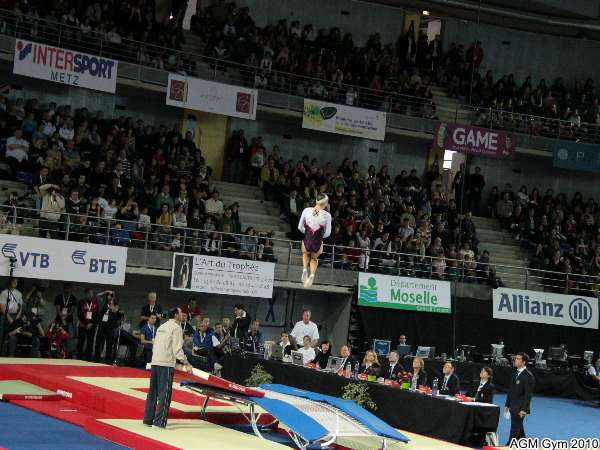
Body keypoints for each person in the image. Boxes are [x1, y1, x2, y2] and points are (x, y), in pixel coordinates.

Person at [143, 307, 192, 429]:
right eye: (181, 313)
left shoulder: (162, 327)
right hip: (165, 364)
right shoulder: (176, 328)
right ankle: (159, 422)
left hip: (155, 361)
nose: (183, 315)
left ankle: (148, 419)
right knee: (164, 394)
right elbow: (177, 349)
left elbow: (155, 344)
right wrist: (186, 363)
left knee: (152, 392)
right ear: (176, 315)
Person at [297, 193, 332, 288]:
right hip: (318, 239)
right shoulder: (327, 216)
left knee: (305, 253)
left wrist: (308, 233)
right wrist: (319, 237)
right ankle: (312, 274)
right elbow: (327, 233)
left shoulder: (306, 210)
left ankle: (304, 269)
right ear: (325, 203)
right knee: (314, 258)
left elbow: (300, 227)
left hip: (307, 237)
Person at [505, 352, 534, 444]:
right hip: (513, 405)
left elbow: (528, 395)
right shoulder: (514, 373)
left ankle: (509, 445)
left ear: (524, 362)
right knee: (519, 428)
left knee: (514, 428)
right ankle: (525, 443)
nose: (515, 360)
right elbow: (510, 390)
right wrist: (507, 404)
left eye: (518, 359)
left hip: (520, 407)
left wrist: (524, 409)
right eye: (515, 358)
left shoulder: (528, 376)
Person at [94, 292, 122, 364]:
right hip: (102, 326)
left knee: (109, 345)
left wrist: (112, 301)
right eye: (109, 295)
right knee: (98, 343)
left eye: (111, 295)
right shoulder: (104, 303)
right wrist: (106, 291)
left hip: (110, 328)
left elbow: (114, 310)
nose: (110, 297)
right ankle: (96, 359)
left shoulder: (116, 305)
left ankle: (108, 361)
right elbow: (97, 296)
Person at [0, 277, 23, 355]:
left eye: (16, 282)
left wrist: (18, 316)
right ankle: (2, 354)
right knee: (4, 334)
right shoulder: (4, 293)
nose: (15, 283)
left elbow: (21, 306)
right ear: (10, 282)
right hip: (6, 315)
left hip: (15, 315)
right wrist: (8, 317)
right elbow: (2, 307)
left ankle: (11, 354)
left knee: (13, 335)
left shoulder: (19, 293)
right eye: (14, 281)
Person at [77, 288, 100, 360]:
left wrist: (91, 323)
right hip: (82, 325)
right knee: (81, 342)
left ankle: (88, 359)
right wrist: (86, 323)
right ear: (85, 294)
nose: (90, 295)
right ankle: (79, 358)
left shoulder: (95, 303)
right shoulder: (81, 302)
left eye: (91, 293)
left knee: (90, 343)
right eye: (89, 293)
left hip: (91, 326)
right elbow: (79, 314)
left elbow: (97, 315)